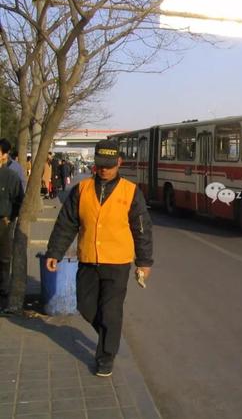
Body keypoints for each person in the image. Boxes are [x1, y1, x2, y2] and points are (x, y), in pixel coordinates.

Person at [45, 140, 153, 377]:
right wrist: (55, 252)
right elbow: (66, 223)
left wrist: (144, 262)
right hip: (89, 259)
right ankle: (109, 334)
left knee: (111, 310)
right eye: (101, 165)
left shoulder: (130, 191)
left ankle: (106, 357)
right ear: (95, 163)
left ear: (119, 163)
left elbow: (142, 229)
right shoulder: (81, 190)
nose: (105, 170)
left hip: (118, 262)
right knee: (86, 306)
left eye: (110, 165)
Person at [0, 142, 24, 310]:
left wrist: (10, 217)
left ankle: (2, 292)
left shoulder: (11, 176)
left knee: (3, 258)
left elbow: (19, 200)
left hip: (3, 222)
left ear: (4, 155)